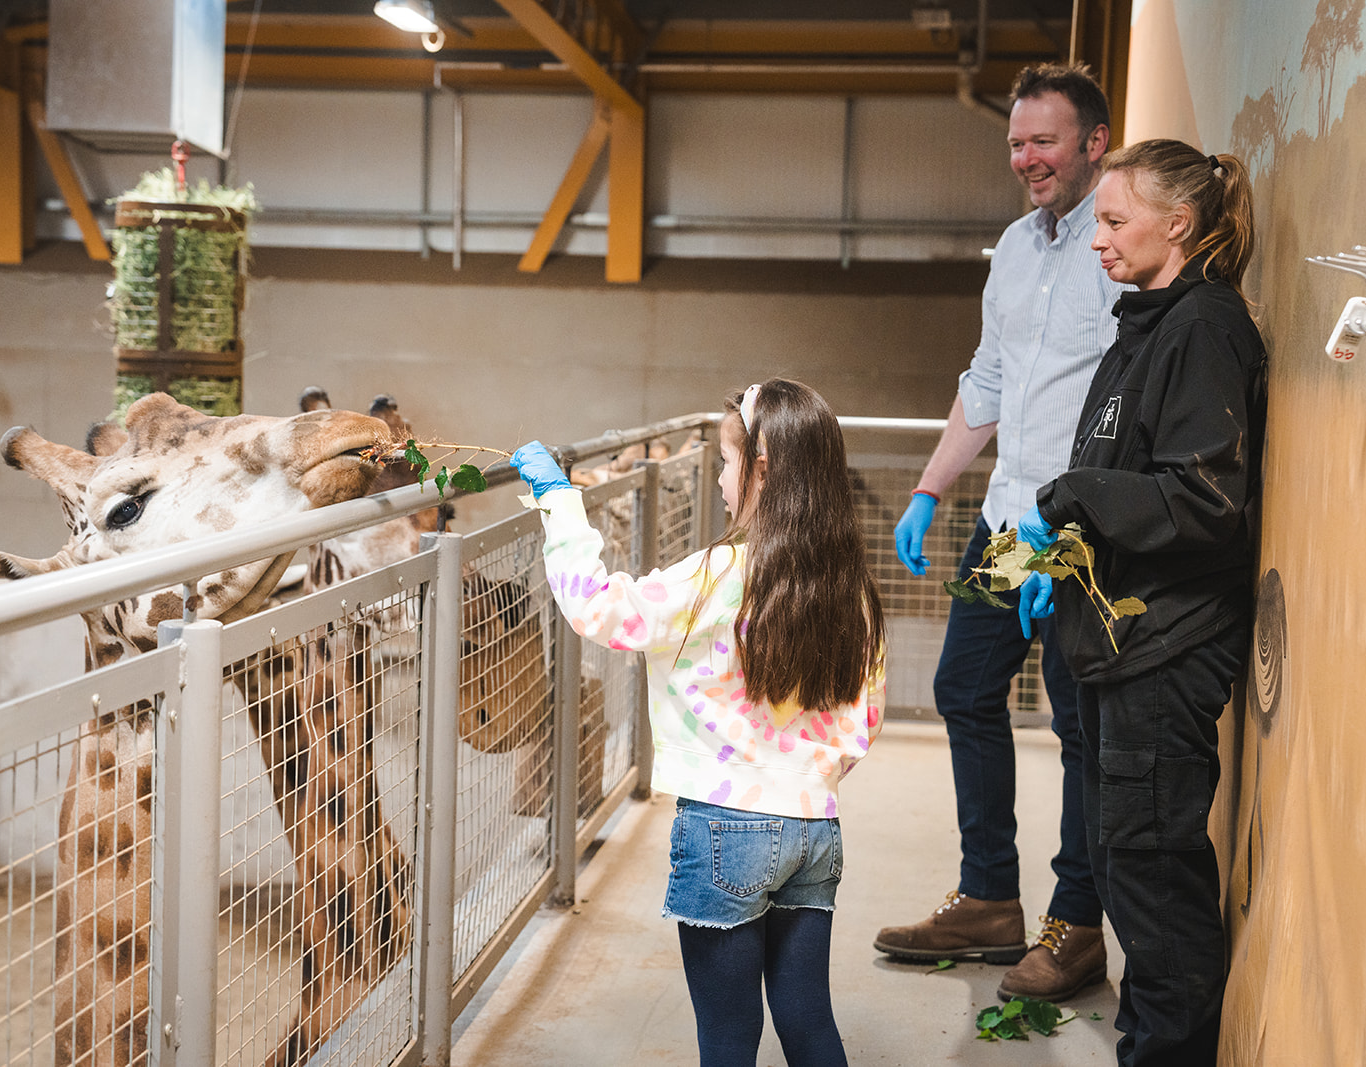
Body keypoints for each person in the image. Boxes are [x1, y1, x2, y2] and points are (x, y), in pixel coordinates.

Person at [511, 378, 885, 1067]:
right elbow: (866, 717)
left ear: (762, 468)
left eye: (724, 459)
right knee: (807, 1019)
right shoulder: (851, 587)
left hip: (724, 830)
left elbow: (599, 609)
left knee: (727, 1037)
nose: (717, 475)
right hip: (815, 827)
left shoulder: (717, 575)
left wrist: (560, 504)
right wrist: (806, 779)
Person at [874, 62, 1126, 1003]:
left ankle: (1076, 923)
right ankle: (988, 899)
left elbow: (1128, 402)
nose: (1027, 158)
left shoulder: (1120, 247)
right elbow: (987, 379)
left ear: (1093, 143)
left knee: (1077, 722)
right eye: (1017, 142)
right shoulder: (1017, 247)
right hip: (1006, 520)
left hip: (1078, 528)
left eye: (1045, 141)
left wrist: (1075, 534)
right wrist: (931, 491)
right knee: (963, 687)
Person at [1016, 140, 1266, 1065]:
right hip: (1126, 641)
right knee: (1129, 873)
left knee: (1155, 891)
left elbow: (1204, 501)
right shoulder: (1150, 325)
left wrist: (1077, 496)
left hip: (1167, 647)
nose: (1098, 240)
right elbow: (1136, 475)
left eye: (1116, 222)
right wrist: (1066, 550)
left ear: (1180, 225)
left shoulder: (1204, 330)